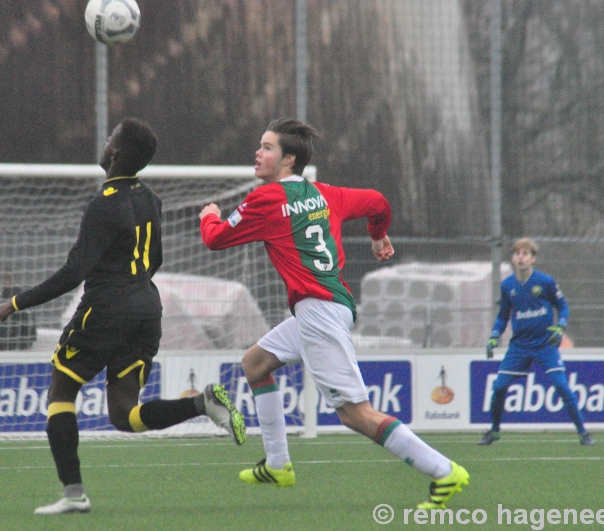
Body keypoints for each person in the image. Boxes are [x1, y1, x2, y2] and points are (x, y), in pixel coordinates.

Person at [198, 118, 469, 509]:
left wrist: (209, 214)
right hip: (329, 305)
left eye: (268, 147)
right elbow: (378, 202)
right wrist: (378, 236)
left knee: (355, 414)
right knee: (255, 363)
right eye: (260, 145)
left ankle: (444, 471)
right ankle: (278, 465)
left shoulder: (266, 200)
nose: (258, 153)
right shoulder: (326, 194)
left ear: (289, 158)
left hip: (319, 314)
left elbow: (215, 239)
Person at [0, 118, 246, 516]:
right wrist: (133, 288)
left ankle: (74, 494)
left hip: (105, 310)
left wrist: (15, 303)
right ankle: (202, 404)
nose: (104, 144)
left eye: (109, 139)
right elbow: (155, 259)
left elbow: (74, 273)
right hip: (146, 309)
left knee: (60, 392)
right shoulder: (150, 197)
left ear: (115, 153)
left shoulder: (103, 206)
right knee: (124, 415)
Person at [479, 238, 595, 446]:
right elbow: (503, 315)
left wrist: (560, 327)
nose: (520, 257)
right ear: (513, 258)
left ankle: (583, 433)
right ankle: (494, 431)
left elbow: (563, 306)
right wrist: (494, 336)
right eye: (517, 253)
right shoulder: (507, 286)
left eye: (525, 254)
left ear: (533, 258)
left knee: (561, 386)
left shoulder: (545, 281)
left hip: (545, 345)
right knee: (499, 388)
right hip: (519, 347)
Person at [0, 272, 36, 350]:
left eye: (9, 279)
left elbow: (29, 320)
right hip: (2, 342)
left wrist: (31, 338)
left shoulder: (22, 298)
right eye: (5, 279)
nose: (7, 282)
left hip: (20, 341)